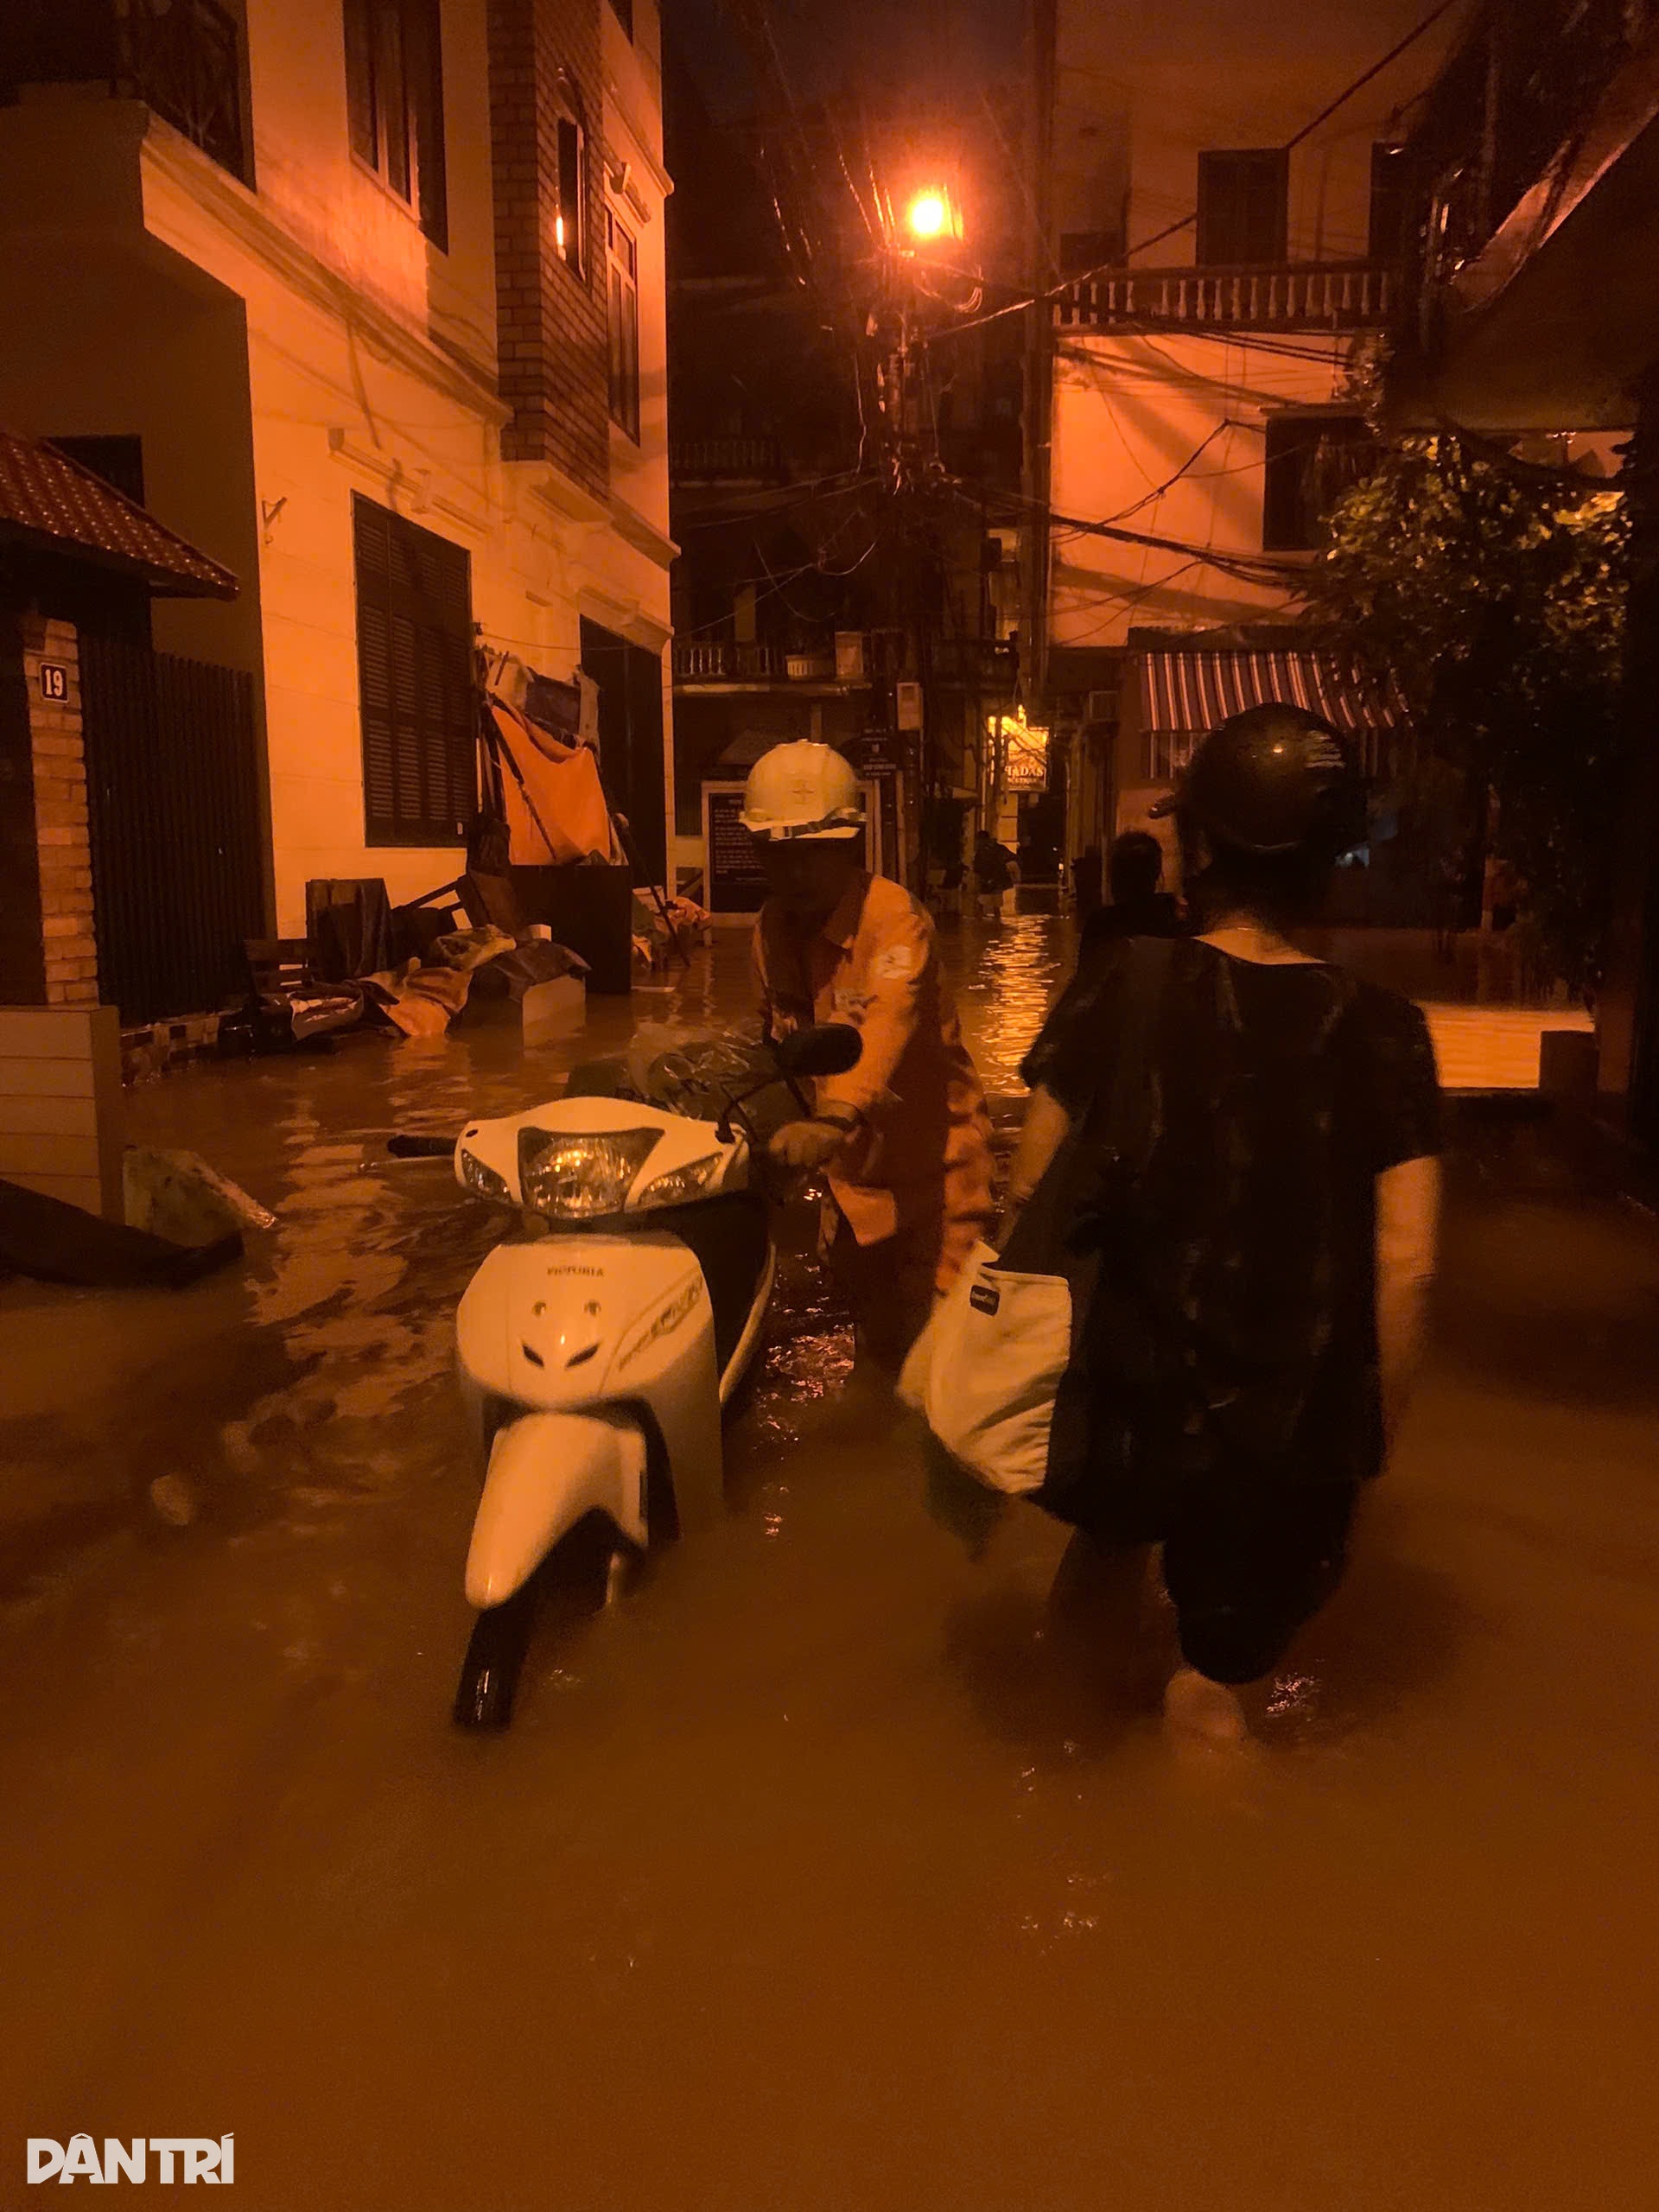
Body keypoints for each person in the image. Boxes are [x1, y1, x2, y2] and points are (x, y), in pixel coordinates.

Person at [1006, 705, 1442, 1749]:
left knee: (1086, 1612)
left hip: (1128, 1395)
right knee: (1212, 1702)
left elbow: (1031, 1193)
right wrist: (1367, 1448)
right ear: (1330, 864)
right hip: (1287, 1429)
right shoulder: (1388, 1032)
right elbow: (1410, 1266)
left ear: (1195, 846)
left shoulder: (1123, 984)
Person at [743, 742, 996, 1370]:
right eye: (780, 855)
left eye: (814, 853)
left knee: (944, 1364)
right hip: (849, 1184)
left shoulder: (894, 919)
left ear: (849, 847)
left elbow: (888, 1020)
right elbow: (774, 1045)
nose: (796, 872)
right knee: (874, 1355)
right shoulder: (771, 928)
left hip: (937, 1182)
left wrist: (833, 1118)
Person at [1075, 830, 1185, 967]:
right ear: (1156, 874)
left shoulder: (1101, 925)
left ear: (1114, 876)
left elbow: (1086, 981)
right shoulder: (1175, 919)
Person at [972, 831, 1017, 918]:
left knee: (987, 901)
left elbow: (979, 865)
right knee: (994, 903)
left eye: (979, 840)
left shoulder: (986, 850)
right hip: (994, 879)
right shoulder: (996, 848)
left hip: (992, 879)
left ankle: (985, 920)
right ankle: (994, 923)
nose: (977, 842)